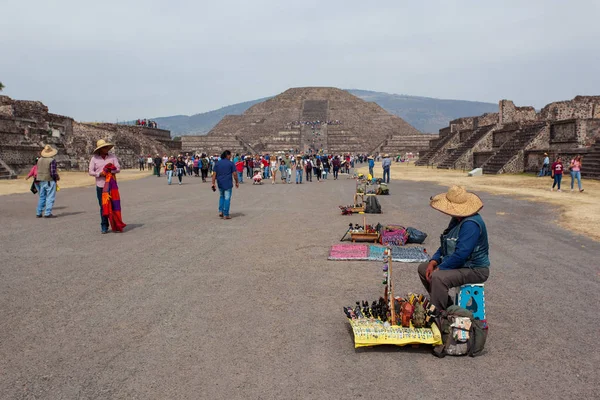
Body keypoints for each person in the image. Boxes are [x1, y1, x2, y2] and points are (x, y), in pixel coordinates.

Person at [417, 186, 490, 311]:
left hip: (475, 269)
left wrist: (440, 268)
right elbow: (446, 244)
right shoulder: (457, 220)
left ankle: (439, 314)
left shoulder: (471, 224)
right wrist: (433, 261)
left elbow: (461, 255)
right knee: (424, 269)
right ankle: (446, 303)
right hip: (462, 264)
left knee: (438, 277)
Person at [88, 139, 121, 234]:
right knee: (103, 206)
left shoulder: (112, 157)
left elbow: (118, 169)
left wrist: (110, 171)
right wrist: (100, 174)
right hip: (101, 186)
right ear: (100, 149)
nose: (106, 149)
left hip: (111, 184)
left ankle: (116, 224)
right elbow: (90, 171)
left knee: (114, 205)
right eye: (104, 147)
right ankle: (104, 225)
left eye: (106, 147)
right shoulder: (94, 159)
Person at [212, 150, 239, 220]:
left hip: (220, 183)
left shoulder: (217, 163)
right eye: (230, 155)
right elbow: (235, 174)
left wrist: (213, 183)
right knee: (227, 198)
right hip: (228, 183)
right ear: (227, 155)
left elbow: (214, 174)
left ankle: (221, 211)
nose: (230, 157)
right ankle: (226, 214)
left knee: (221, 197)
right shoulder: (231, 163)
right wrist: (236, 182)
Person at [35, 145, 59, 218]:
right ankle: (47, 213)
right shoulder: (52, 161)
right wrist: (57, 177)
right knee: (50, 197)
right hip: (49, 180)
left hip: (41, 180)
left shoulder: (39, 160)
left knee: (42, 197)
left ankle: (39, 212)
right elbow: (53, 172)